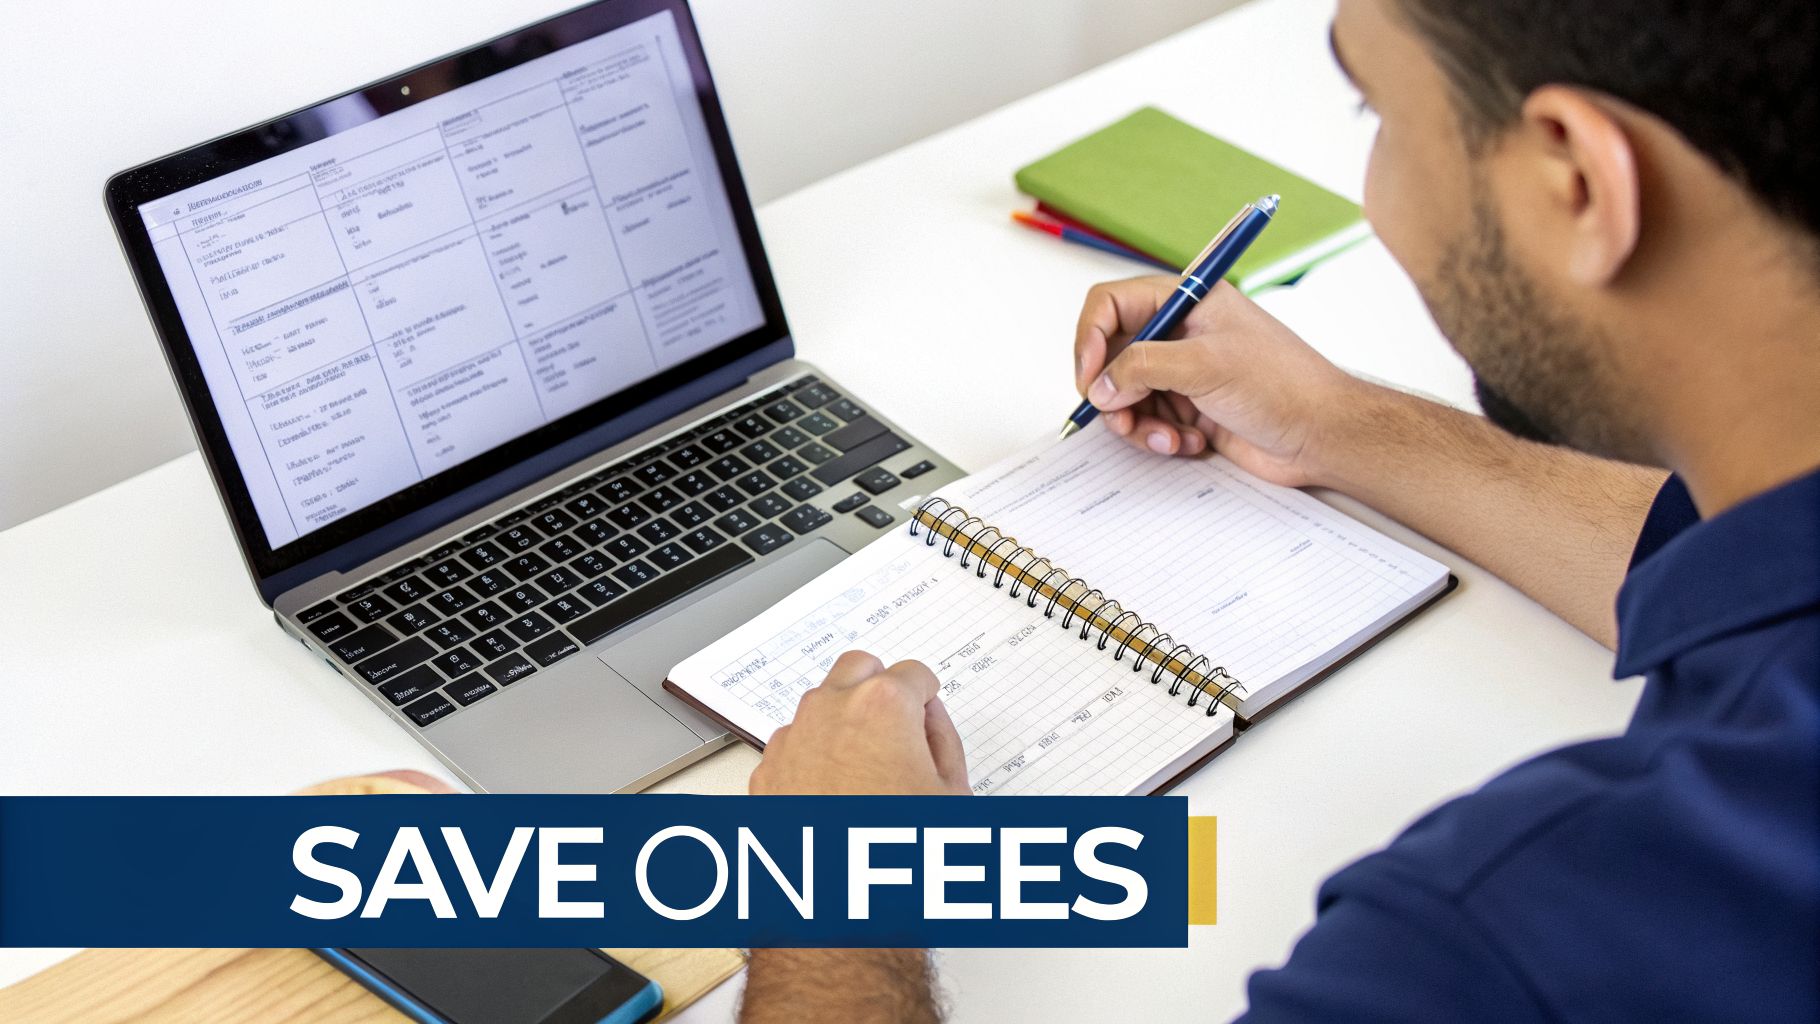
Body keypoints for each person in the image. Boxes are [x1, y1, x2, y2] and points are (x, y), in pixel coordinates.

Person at [737, 0, 1820, 1020]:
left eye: (1378, 112)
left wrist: (837, 889)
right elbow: (1728, 544)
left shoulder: (1502, 940)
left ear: (1572, 179)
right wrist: (1340, 421)